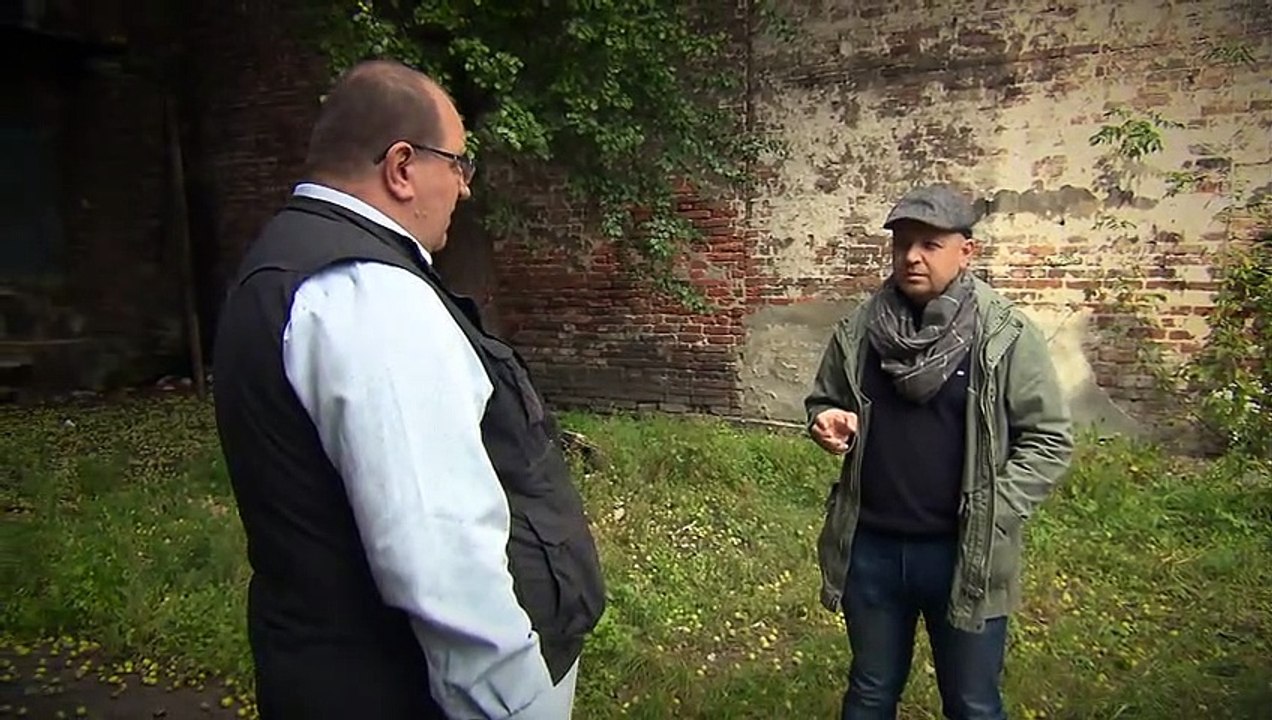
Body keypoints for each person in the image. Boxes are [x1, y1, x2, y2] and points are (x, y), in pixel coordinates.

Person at [211, 59, 605, 719]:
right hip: (396, 691)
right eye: (458, 164)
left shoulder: (287, 263)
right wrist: (514, 702)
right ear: (401, 167)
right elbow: (439, 550)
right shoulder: (370, 294)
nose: (465, 188)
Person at [804, 184, 1073, 720]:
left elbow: (1049, 438)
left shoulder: (1004, 335)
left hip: (964, 554)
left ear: (965, 252)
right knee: (869, 693)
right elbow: (824, 399)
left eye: (929, 244)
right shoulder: (860, 330)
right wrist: (825, 419)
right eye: (902, 243)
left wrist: (995, 509)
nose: (911, 257)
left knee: (972, 704)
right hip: (871, 550)